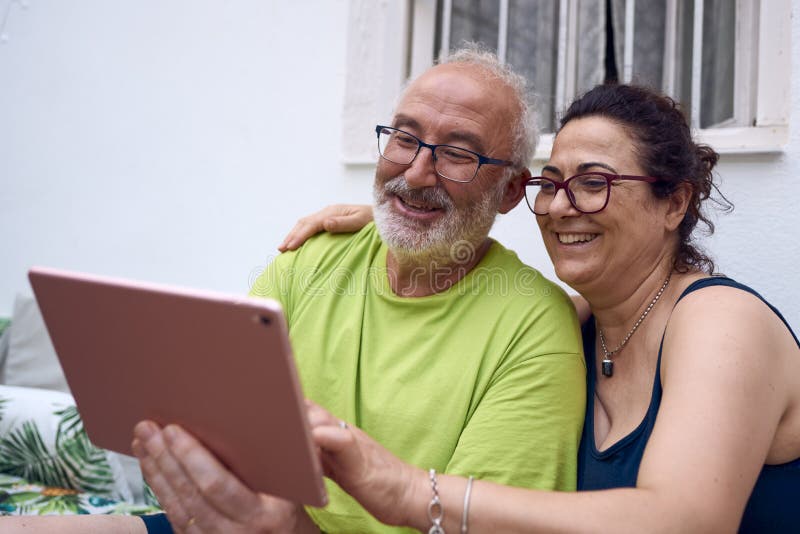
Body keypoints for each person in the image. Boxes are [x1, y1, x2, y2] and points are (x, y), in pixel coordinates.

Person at [296, 84, 800, 532]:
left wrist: (411, 494)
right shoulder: (572, 322)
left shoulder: (721, 321)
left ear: (674, 204)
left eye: (593, 183)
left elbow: (682, 521)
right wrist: (405, 221)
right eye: (551, 184)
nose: (560, 206)